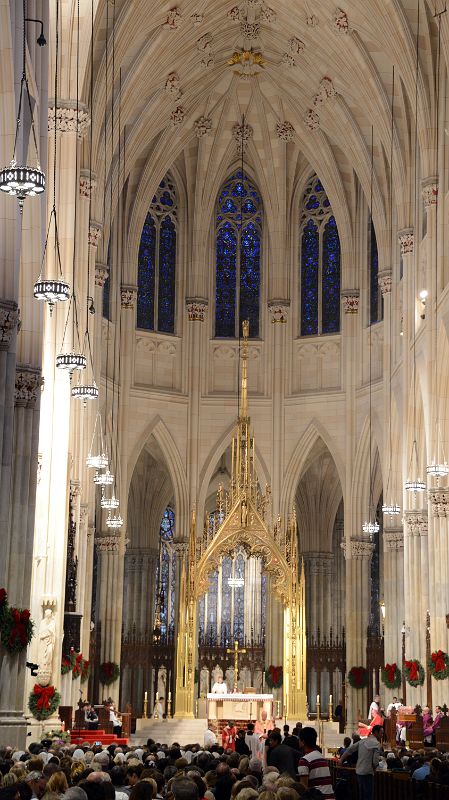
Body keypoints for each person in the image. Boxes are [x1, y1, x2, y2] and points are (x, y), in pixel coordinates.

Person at [340, 724, 382, 800]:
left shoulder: (362, 741)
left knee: (361, 795)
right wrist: (375, 768)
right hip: (368, 772)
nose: (382, 735)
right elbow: (375, 761)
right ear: (376, 732)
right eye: (381, 733)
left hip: (359, 771)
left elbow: (349, 749)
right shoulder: (376, 743)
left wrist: (341, 759)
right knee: (368, 796)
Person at [298, 726, 335, 798]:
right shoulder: (321, 756)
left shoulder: (304, 760)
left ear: (303, 742)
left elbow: (303, 787)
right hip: (330, 796)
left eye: (299, 739)